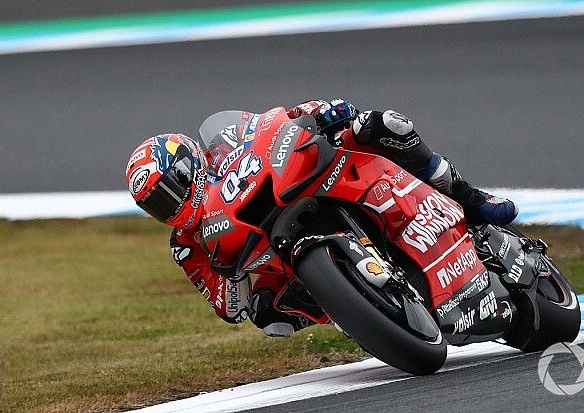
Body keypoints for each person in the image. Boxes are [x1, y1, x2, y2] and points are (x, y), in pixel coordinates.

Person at [125, 99, 518, 337]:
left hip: (308, 179)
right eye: (157, 206)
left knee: (381, 125)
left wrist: (324, 112)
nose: (170, 207)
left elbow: (276, 121)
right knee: (267, 316)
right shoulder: (187, 243)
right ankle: (356, 307)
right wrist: (230, 274)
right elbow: (231, 308)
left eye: (168, 192)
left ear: (186, 166)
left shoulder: (225, 142)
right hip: (282, 258)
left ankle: (469, 198)